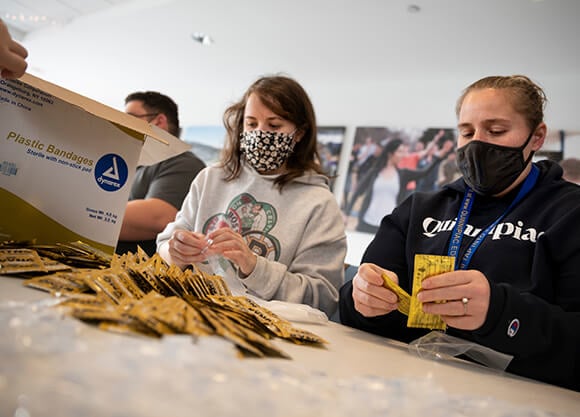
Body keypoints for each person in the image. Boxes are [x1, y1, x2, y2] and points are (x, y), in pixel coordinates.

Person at [339, 75, 580, 391]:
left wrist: (501, 312)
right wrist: (363, 301)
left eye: (496, 131)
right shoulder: (419, 209)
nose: (478, 143)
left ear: (536, 137)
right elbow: (351, 307)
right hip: (405, 386)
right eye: (467, 132)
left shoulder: (570, 214)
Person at [157, 75, 347, 317]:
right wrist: (176, 252)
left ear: (299, 133)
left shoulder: (318, 203)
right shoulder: (210, 178)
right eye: (251, 124)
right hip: (191, 315)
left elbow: (323, 299)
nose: (260, 134)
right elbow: (165, 244)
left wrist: (254, 266)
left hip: (268, 332)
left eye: (274, 126)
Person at [115, 91, 206, 257]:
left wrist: (80, 211)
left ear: (159, 121)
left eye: (129, 117)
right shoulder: (136, 166)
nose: (123, 124)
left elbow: (159, 218)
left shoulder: (184, 164)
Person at [345, 137, 453, 234]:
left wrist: (439, 155)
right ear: (390, 153)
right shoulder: (374, 172)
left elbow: (424, 172)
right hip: (366, 224)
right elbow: (357, 193)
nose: (403, 155)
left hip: (388, 227)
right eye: (400, 151)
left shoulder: (403, 174)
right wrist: (347, 214)